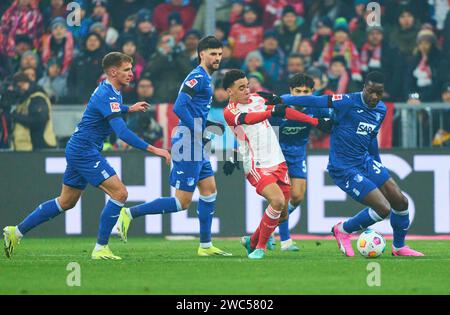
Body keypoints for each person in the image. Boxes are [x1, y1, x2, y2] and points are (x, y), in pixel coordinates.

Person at [3, 52, 171, 260]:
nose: (131, 73)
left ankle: (15, 232)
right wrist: (156, 150)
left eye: (130, 69)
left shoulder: (111, 91)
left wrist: (129, 108)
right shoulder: (107, 94)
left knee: (66, 202)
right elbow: (122, 133)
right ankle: (101, 248)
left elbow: (107, 109)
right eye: (126, 70)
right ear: (113, 71)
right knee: (120, 194)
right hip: (84, 150)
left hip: (79, 148)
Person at [268, 71, 424, 257]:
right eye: (371, 91)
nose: (375, 96)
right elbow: (316, 101)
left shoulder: (381, 109)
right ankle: (343, 230)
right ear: (364, 87)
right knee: (383, 209)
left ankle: (399, 247)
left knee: (401, 201)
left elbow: (371, 138)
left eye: (379, 93)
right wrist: (280, 99)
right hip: (343, 167)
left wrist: (378, 166)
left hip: (365, 161)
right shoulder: (348, 101)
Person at [116, 36, 232, 257]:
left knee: (209, 192)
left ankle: (205, 246)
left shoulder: (206, 78)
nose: (217, 58)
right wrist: (199, 130)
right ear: (201, 55)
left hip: (196, 142)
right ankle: (129, 214)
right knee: (181, 202)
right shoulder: (197, 77)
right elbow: (179, 107)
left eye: (219, 53)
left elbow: (194, 111)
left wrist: (208, 124)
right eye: (213, 54)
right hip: (188, 142)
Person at [221, 69, 330, 259]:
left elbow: (286, 111)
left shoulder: (257, 98)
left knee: (283, 215)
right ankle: (260, 248)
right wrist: (271, 110)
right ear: (230, 91)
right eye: (241, 88)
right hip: (256, 164)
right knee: (278, 201)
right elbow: (248, 120)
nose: (247, 91)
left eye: (247, 86)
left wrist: (314, 121)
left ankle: (252, 240)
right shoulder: (230, 112)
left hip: (279, 161)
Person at [267, 73, 332, 251]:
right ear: (291, 91)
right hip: (277, 154)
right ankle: (286, 241)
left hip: (298, 154)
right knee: (283, 196)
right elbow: (258, 123)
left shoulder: (317, 107)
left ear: (312, 92)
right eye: (298, 91)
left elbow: (332, 119)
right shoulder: (280, 106)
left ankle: (269, 226)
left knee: (297, 196)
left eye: (306, 91)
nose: (302, 95)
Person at [11, 72, 56, 151]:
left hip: (41, 146)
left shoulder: (37, 98)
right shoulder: (26, 99)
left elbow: (38, 121)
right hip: (31, 146)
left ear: (22, 84)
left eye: (17, 86)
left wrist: (15, 117)